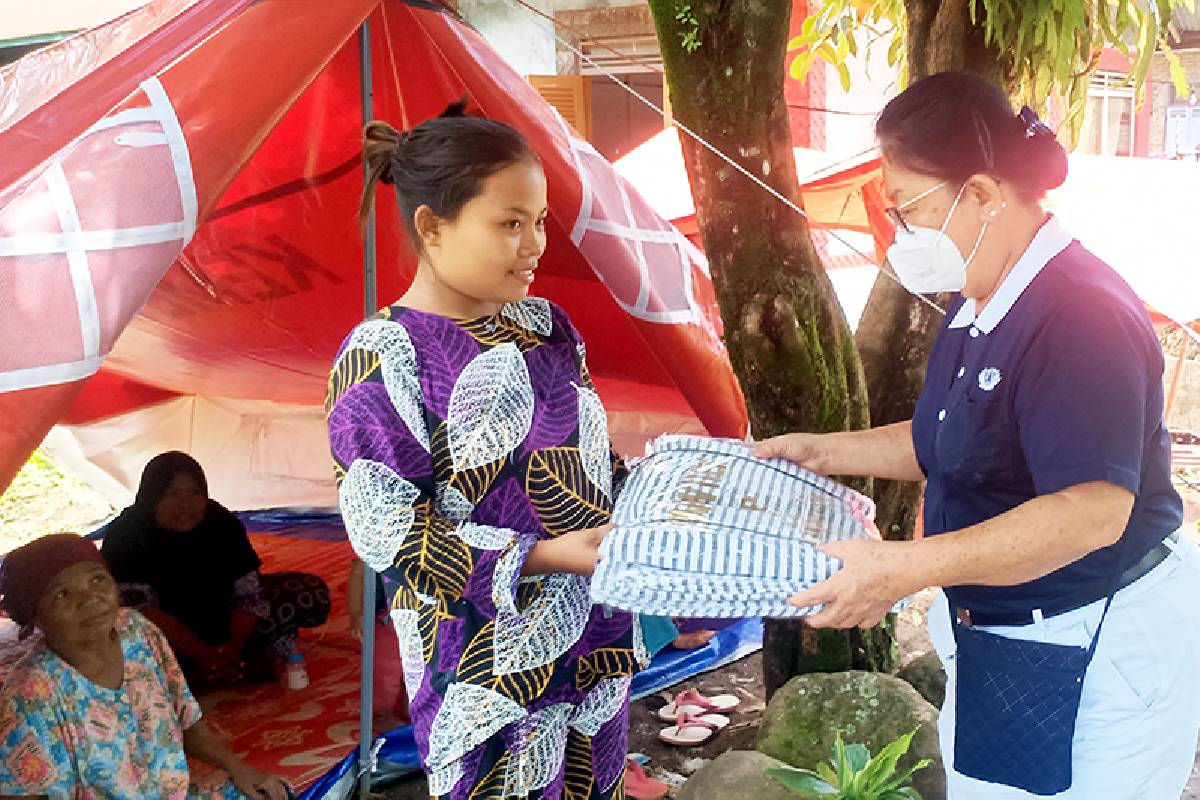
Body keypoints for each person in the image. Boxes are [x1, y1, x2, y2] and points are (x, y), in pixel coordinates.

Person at [755, 71, 1200, 798]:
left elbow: (1091, 510)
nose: (899, 233)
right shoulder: (981, 300)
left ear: (985, 194)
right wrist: (822, 451)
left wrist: (906, 567)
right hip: (1007, 639)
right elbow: (950, 437)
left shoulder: (1081, 315)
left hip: (1097, 637)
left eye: (908, 209)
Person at [326, 99, 646, 799]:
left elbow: (591, 462)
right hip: (487, 677)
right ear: (431, 227)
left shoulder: (546, 326)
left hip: (594, 645)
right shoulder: (384, 357)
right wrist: (542, 555)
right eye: (509, 224)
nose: (535, 245)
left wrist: (658, 494)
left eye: (538, 223)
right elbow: (389, 533)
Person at [0, 533, 291, 799]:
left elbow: (186, 717)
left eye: (98, 580)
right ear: (34, 617)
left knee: (271, 794)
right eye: (62, 594)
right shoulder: (29, 695)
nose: (90, 599)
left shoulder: (136, 631)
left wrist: (239, 769)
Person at [100, 452, 331, 684]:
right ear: (152, 497)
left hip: (222, 620)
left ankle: (222, 666)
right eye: (172, 494)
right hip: (167, 635)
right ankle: (197, 670)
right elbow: (141, 611)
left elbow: (248, 592)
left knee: (309, 592)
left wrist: (232, 650)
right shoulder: (127, 535)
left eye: (195, 493)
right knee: (121, 636)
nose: (185, 504)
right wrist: (202, 653)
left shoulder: (219, 522)